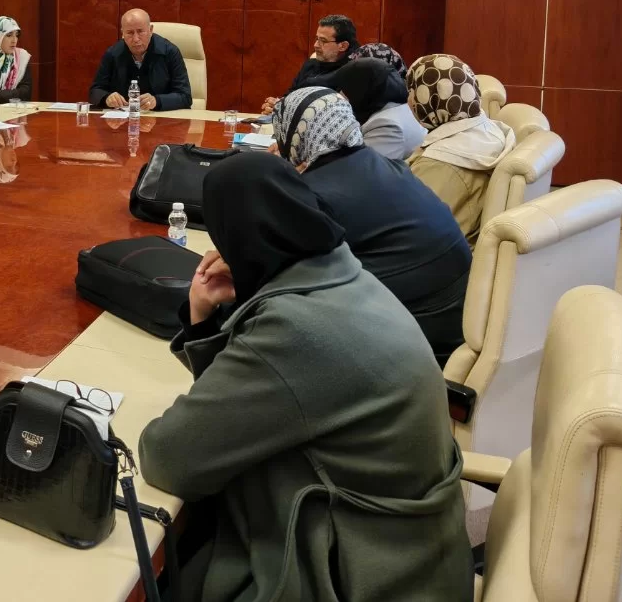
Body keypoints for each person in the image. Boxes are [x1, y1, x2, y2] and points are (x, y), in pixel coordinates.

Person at [138, 152, 472, 602]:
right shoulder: (343, 274)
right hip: (417, 555)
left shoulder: (294, 329)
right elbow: (243, 398)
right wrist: (204, 318)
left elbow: (167, 457)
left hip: (358, 573)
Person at [271, 87, 471, 362]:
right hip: (457, 326)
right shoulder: (390, 165)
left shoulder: (313, 195)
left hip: (411, 348)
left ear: (294, 135)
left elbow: (281, 281)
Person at [405, 54, 517, 245]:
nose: (409, 101)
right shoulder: (488, 131)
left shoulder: (440, 163)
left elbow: (413, 230)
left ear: (426, 98)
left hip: (436, 255)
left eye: (411, 92)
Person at [89, 8, 191, 111]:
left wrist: (157, 101)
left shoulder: (170, 52)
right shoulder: (112, 54)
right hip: (123, 117)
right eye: (130, 33)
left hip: (160, 116)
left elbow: (185, 97)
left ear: (150, 30)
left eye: (140, 31)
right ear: (122, 33)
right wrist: (107, 98)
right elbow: (95, 91)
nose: (136, 39)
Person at [325, 56, 426, 160]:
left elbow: (364, 165)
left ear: (360, 90)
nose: (340, 93)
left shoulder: (386, 124)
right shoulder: (403, 109)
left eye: (345, 88)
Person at [260, 12, 356, 114]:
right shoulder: (310, 64)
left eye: (323, 41)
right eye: (317, 39)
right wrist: (276, 106)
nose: (316, 45)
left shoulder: (352, 72)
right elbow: (290, 96)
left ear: (343, 46)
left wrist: (285, 108)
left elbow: (331, 111)